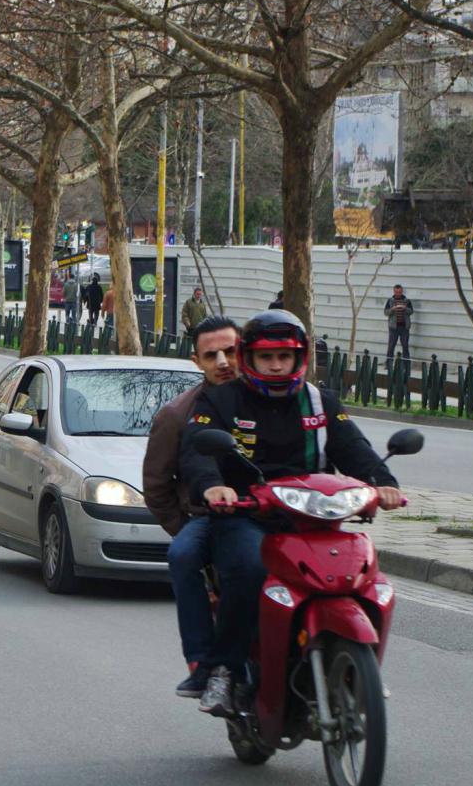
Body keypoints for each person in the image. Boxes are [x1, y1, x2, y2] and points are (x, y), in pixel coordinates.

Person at [179, 310, 404, 716]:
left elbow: (354, 449)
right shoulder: (220, 399)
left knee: (366, 576)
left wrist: (383, 484)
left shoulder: (321, 402)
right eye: (267, 357)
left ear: (300, 357)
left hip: (316, 519)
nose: (277, 365)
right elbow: (197, 449)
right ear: (250, 358)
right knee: (248, 570)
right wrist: (213, 486)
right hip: (246, 516)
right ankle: (224, 671)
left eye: (286, 355)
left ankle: (360, 665)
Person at [142, 315, 240, 697]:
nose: (223, 362)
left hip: (274, 515)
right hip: (207, 520)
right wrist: (185, 526)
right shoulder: (177, 415)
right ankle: (202, 662)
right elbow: (156, 486)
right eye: (211, 354)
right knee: (183, 555)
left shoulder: (271, 398)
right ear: (196, 361)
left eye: (230, 352)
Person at [384, 283, 414, 367]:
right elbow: (386, 312)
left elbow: (411, 311)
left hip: (404, 327)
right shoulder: (390, 301)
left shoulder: (407, 301)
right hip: (393, 327)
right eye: (396, 292)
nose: (398, 294)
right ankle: (388, 364)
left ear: (402, 291)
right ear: (394, 291)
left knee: (405, 346)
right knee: (391, 346)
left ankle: (406, 364)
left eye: (400, 292)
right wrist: (392, 309)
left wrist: (405, 308)